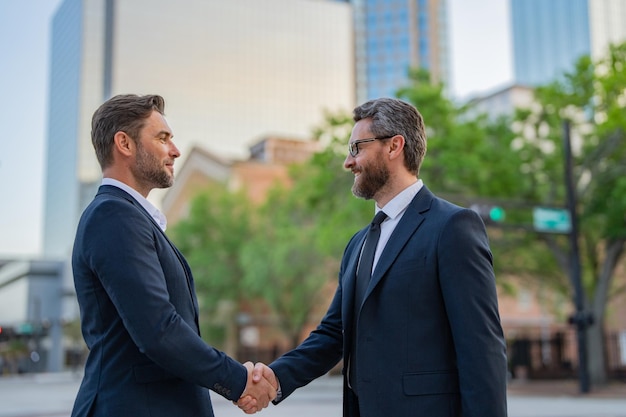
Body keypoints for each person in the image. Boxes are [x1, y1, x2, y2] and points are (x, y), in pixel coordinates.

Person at [242, 97, 508, 416]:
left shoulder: (452, 227)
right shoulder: (357, 244)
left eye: (357, 148)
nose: (348, 162)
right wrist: (275, 377)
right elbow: (333, 334)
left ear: (394, 146)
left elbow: (482, 348)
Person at [71, 94, 276, 417]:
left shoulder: (130, 217)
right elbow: (158, 329)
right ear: (124, 143)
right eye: (162, 138)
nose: (175, 150)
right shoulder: (113, 216)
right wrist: (238, 381)